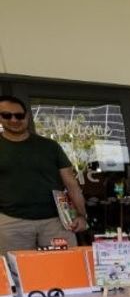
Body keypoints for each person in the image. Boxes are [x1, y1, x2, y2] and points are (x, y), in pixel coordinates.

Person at [0, 95, 88, 252]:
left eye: (19, 115)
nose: (14, 120)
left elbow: (71, 183)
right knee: (15, 267)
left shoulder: (50, 146)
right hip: (10, 222)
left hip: (56, 221)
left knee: (64, 264)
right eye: (7, 115)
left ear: (27, 116)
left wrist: (81, 215)